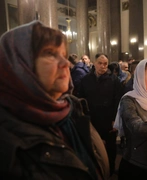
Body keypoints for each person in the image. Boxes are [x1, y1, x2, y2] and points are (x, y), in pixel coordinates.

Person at [0, 21, 109, 179]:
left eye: (64, 55)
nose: (65, 63)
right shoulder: (6, 140)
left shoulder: (71, 109)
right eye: (50, 53)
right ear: (18, 64)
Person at [77, 53, 122, 177]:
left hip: (108, 121)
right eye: (100, 63)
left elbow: (118, 101)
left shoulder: (114, 80)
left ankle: (110, 172)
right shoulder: (86, 80)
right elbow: (81, 99)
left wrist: (115, 120)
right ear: (94, 63)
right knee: (93, 148)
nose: (103, 66)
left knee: (110, 150)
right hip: (92, 121)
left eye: (105, 64)